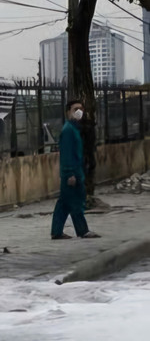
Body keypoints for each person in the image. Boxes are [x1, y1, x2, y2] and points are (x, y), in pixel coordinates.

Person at [51, 99, 100, 240]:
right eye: (75, 109)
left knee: (64, 204)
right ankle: (82, 230)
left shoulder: (74, 129)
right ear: (68, 112)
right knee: (77, 202)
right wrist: (71, 174)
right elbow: (67, 154)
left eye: (81, 109)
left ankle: (56, 231)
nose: (79, 112)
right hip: (71, 173)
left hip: (75, 171)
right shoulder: (68, 130)